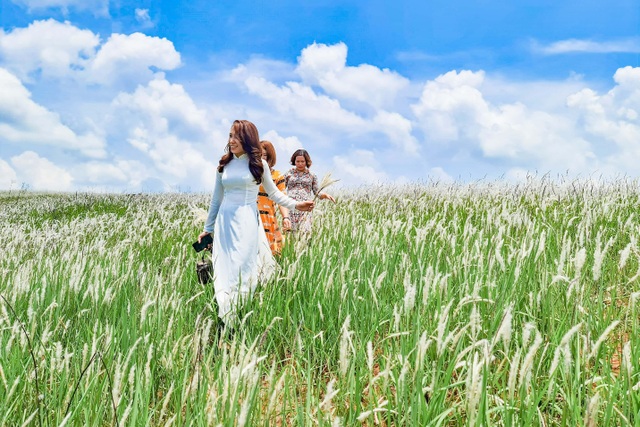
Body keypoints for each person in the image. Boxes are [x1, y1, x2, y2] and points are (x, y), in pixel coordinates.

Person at [197, 121, 314, 328]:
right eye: (230, 135)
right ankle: (227, 320)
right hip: (225, 222)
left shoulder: (259, 165)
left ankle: (239, 312)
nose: (231, 140)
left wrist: (297, 205)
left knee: (244, 267)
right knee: (224, 269)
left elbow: (274, 193)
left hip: (248, 221)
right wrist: (207, 229)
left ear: (247, 139)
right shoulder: (224, 165)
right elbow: (216, 199)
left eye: (236, 136)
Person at [284, 149, 335, 232]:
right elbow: (281, 188)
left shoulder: (312, 175)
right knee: (290, 233)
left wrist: (325, 195)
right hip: (291, 206)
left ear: (306, 162)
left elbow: (316, 192)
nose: (300, 164)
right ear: (294, 161)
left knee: (304, 232)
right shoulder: (288, 174)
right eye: (298, 161)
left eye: (302, 161)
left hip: (305, 208)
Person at [257, 140, 290, 255]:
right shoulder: (250, 173)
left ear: (270, 156)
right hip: (251, 214)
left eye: (264, 155)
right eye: (258, 155)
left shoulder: (277, 176)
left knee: (268, 251)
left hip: (267, 217)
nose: (261, 158)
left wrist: (286, 217)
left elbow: (282, 198)